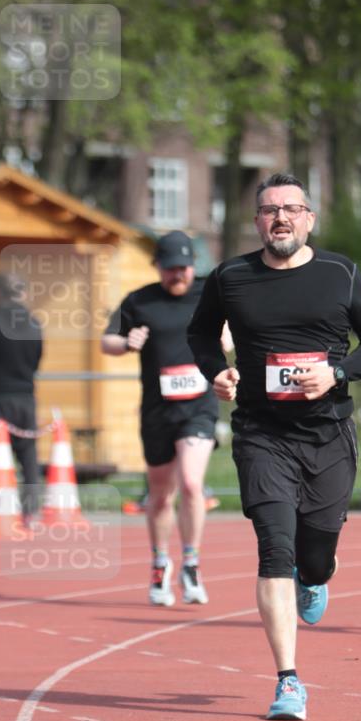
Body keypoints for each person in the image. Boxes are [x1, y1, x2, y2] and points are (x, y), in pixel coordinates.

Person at [188, 172, 361, 721]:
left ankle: (317, 574)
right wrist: (218, 372)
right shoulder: (230, 276)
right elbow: (201, 334)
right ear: (257, 221)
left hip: (328, 433)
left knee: (314, 558)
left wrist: (337, 374)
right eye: (270, 209)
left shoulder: (339, 272)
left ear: (309, 218)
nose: (280, 217)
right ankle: (288, 681)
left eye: (291, 208)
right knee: (275, 548)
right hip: (261, 433)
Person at [102, 231, 219, 607]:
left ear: (193, 266)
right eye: (170, 269)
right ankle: (159, 562)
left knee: (190, 483)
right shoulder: (139, 300)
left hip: (198, 406)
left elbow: (237, 324)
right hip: (157, 410)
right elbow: (107, 340)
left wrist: (229, 337)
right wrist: (126, 342)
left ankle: (192, 562)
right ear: (158, 268)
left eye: (184, 268)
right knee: (160, 494)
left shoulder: (209, 294)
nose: (178, 275)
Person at [0, 275, 43, 521]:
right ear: (23, 293)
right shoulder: (35, 324)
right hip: (26, 396)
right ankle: (31, 511)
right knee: (28, 457)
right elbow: (37, 358)